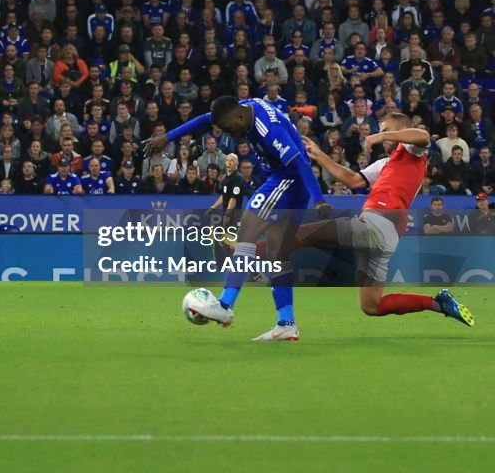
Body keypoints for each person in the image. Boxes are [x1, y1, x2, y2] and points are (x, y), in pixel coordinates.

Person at [146, 96, 330, 340]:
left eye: (231, 128)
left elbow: (300, 164)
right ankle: (286, 323)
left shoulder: (268, 128)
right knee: (277, 254)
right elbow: (205, 118)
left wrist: (319, 199)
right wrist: (167, 137)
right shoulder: (241, 108)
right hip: (285, 181)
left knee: (246, 231)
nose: (231, 135)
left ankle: (225, 305)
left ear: (240, 117)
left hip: (289, 181)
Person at [297, 115, 473, 327]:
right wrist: (320, 155)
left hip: (380, 223)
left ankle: (254, 255)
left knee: (299, 234)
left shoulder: (411, 151)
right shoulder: (386, 163)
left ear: (401, 129)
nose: (382, 136)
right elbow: (353, 180)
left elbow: (423, 136)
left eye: (386, 130)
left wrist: (380, 136)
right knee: (371, 306)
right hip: (385, 232)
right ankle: (438, 304)